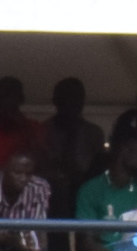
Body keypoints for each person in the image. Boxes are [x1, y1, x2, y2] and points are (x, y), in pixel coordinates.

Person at [44, 78, 108, 214]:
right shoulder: (43, 130)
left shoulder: (93, 132)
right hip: (51, 194)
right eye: (66, 98)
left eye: (76, 99)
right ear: (55, 101)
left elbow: (99, 168)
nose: (71, 104)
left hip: (86, 191)